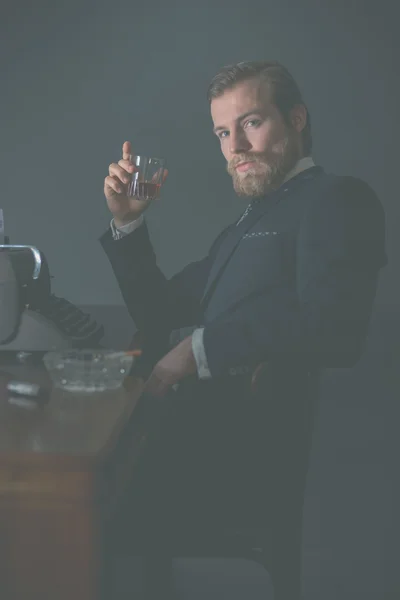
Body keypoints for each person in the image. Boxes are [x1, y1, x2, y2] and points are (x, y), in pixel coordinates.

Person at [100, 61, 387, 600]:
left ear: (296, 119)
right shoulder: (244, 225)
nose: (236, 146)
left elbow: (336, 329)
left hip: (222, 466)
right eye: (223, 133)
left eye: (251, 123)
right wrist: (129, 221)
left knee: (61, 493)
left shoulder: (340, 200)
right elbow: (158, 311)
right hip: (178, 444)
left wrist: (198, 349)